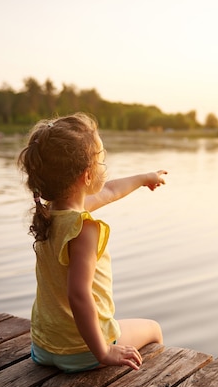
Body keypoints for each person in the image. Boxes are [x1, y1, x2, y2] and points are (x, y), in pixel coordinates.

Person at [17, 113, 165, 373]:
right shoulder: (84, 227)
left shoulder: (49, 214)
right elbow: (79, 295)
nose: (104, 167)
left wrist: (144, 178)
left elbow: (109, 192)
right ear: (86, 176)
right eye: (101, 160)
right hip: (84, 351)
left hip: (43, 348)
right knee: (153, 329)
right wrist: (104, 351)